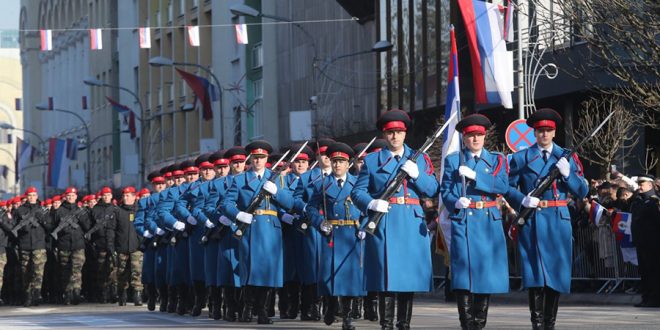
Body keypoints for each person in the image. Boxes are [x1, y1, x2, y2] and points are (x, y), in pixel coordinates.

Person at [351, 109, 439, 329]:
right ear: (384, 134)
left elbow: (433, 189)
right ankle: (387, 325)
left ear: (405, 133)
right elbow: (357, 192)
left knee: (406, 279)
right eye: (390, 132)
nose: (395, 136)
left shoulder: (419, 158)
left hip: (410, 221)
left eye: (399, 132)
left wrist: (417, 175)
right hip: (385, 221)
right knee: (386, 278)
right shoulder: (372, 161)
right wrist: (371, 203)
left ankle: (404, 324)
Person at [506, 108, 588, 329]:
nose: (544, 134)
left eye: (548, 130)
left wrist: (568, 175)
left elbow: (582, 191)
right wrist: (522, 200)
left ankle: (549, 324)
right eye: (540, 130)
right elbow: (507, 188)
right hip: (532, 219)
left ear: (554, 132)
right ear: (534, 132)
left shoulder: (566, 157)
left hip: (557, 221)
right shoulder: (521, 157)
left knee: (555, 275)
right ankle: (537, 323)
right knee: (535, 275)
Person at [439, 114, 510, 329]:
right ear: (464, 138)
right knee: (463, 274)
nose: (475, 139)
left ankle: (479, 323)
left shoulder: (497, 159)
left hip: (488, 221)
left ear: (485, 136)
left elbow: (502, 186)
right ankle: (467, 323)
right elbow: (446, 191)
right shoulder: (453, 160)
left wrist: (476, 177)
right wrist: (455, 202)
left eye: (479, 135)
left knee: (484, 274)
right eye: (471, 135)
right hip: (465, 221)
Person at [221, 140, 294, 324]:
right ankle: (247, 306)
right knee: (250, 270)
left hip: (271, 229)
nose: (258, 161)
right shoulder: (240, 180)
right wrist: (238, 215)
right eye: (255, 157)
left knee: (267, 272)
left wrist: (276, 191)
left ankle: (261, 311)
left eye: (261, 157)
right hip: (250, 228)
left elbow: (289, 203)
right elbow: (226, 204)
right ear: (250, 159)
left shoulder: (276, 178)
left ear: (267, 159)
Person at [308, 142, 366, 330]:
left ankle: (348, 316)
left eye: (341, 161)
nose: (337, 165)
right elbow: (310, 208)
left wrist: (364, 226)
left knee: (350, 277)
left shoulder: (357, 183)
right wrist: (319, 222)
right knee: (328, 274)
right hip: (331, 234)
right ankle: (331, 305)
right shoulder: (322, 185)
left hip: (352, 234)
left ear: (348, 163)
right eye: (334, 161)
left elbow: (367, 208)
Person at [293, 138, 335, 322]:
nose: (325, 158)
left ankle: (332, 306)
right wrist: (306, 208)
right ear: (316, 157)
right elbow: (296, 199)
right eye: (321, 155)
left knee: (331, 267)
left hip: (333, 225)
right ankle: (310, 306)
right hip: (312, 226)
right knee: (311, 267)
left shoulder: (338, 176)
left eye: (327, 155)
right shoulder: (306, 178)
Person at [208, 147, 245, 322]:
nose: (238, 165)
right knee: (229, 272)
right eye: (235, 163)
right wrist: (220, 218)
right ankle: (229, 306)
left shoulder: (251, 179)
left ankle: (244, 306)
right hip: (227, 233)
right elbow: (209, 207)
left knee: (245, 270)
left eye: (241, 162)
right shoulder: (217, 185)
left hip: (247, 231)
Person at [278, 144, 313, 319]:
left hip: (308, 231)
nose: (300, 165)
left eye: (303, 162)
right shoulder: (283, 181)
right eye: (297, 162)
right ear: (291, 164)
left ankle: (308, 308)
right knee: (290, 270)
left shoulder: (313, 179)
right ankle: (289, 307)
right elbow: (275, 202)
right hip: (290, 230)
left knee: (308, 269)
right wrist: (283, 216)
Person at [47, 186, 92, 305]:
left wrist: (82, 219)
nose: (71, 197)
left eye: (73, 196)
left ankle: (76, 292)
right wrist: (62, 228)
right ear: (65, 197)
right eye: (68, 196)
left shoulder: (81, 211)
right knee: (65, 270)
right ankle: (67, 293)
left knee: (77, 269)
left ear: (76, 197)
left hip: (78, 244)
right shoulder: (59, 211)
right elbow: (52, 227)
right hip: (64, 244)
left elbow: (88, 227)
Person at [133, 171, 167, 311]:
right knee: (150, 271)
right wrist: (145, 233)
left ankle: (165, 298)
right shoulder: (145, 201)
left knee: (164, 270)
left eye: (161, 184)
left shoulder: (168, 199)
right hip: (151, 240)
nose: (159, 187)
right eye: (156, 184)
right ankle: (151, 296)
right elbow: (138, 222)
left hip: (164, 238)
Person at [12, 187, 49, 307]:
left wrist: (42, 220)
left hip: (39, 244)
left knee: (38, 271)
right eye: (30, 195)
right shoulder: (20, 210)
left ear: (37, 196)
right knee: (25, 271)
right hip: (25, 244)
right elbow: (14, 226)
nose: (32, 197)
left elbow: (49, 226)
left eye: (34, 195)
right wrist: (23, 228)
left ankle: (36, 295)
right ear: (26, 197)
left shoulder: (42, 209)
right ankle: (27, 296)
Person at [630, 174, 660, 308]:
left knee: (653, 271)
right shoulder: (639, 201)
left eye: (642, 184)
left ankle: (655, 298)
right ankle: (646, 297)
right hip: (642, 243)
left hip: (653, 244)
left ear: (650, 185)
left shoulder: (654, 201)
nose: (640, 186)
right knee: (644, 272)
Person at [110, 186, 143, 306]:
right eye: (124, 196)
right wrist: (112, 247)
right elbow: (111, 230)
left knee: (137, 271)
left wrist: (142, 242)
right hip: (122, 246)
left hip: (136, 247)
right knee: (122, 272)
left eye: (128, 196)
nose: (125, 198)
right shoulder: (118, 211)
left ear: (134, 197)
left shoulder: (139, 210)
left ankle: (137, 294)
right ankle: (122, 293)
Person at [89, 186, 118, 304]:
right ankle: (103, 293)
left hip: (113, 243)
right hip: (100, 244)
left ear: (111, 196)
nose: (106, 197)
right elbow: (90, 227)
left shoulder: (115, 209)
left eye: (108, 195)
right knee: (101, 270)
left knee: (114, 269)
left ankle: (113, 292)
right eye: (104, 195)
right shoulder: (95, 210)